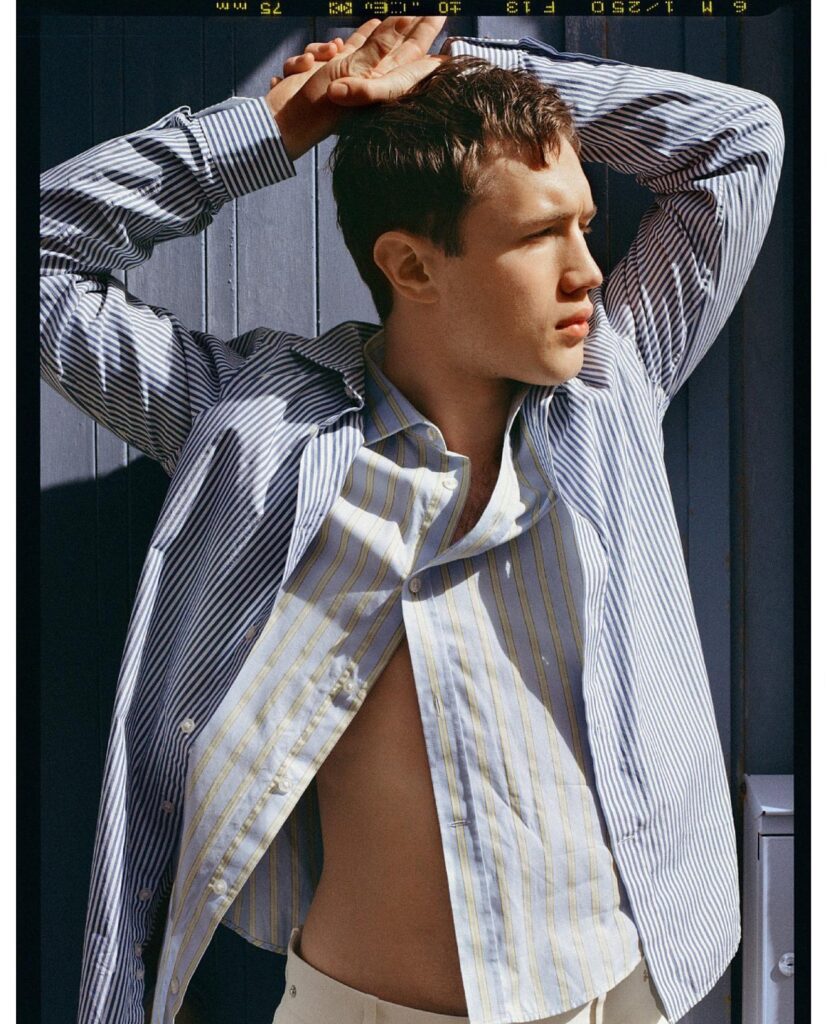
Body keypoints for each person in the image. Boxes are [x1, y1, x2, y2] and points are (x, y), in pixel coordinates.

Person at [39, 15, 785, 1024]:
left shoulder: (612, 381)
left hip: (614, 991)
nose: (587, 270)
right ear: (411, 265)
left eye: (582, 225)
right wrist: (282, 123)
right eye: (536, 234)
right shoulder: (252, 428)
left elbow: (737, 138)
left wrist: (448, 70)